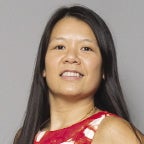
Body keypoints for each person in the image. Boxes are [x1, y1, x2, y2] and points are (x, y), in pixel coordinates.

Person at [14, 5, 144, 144]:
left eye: (86, 48)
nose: (71, 57)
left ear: (104, 69)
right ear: (43, 66)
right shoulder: (24, 136)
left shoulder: (113, 132)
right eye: (60, 47)